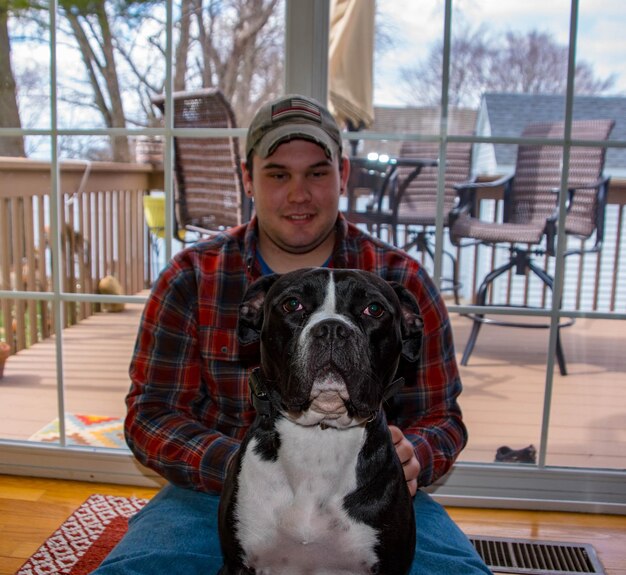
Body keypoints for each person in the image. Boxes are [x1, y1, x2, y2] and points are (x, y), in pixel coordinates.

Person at [93, 94, 491, 574]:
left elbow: (443, 418)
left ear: (343, 174)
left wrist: (411, 458)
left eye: (317, 173)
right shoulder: (192, 276)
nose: (298, 194)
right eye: (278, 174)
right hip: (215, 493)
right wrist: (246, 469)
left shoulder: (398, 281)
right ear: (248, 178)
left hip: (373, 492)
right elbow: (149, 417)